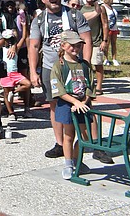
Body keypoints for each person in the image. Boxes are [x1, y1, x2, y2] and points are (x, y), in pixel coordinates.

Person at [28, 0, 92, 159]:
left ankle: (90, 142)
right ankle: (60, 143)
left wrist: (85, 65)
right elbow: (34, 45)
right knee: (54, 105)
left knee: (84, 102)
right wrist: (33, 71)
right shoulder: (39, 19)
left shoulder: (74, 15)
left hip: (74, 66)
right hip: (50, 66)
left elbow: (87, 39)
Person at [51, 31, 95, 179]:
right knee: (69, 135)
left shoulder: (84, 65)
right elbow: (59, 89)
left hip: (83, 105)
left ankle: (77, 159)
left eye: (78, 45)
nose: (75, 48)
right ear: (63, 46)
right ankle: (68, 163)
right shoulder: (59, 65)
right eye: (72, 45)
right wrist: (75, 102)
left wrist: (84, 101)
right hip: (66, 105)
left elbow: (90, 85)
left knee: (86, 136)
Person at [80, 0, 107, 95]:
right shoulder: (81, 8)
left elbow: (105, 24)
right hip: (83, 41)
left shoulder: (100, 8)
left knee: (98, 63)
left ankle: (99, 86)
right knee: (86, 64)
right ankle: (88, 85)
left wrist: (104, 40)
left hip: (96, 40)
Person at [101, 0, 120, 66]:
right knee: (107, 44)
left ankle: (114, 58)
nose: (112, 0)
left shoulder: (112, 8)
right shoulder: (103, 7)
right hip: (107, 28)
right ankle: (106, 59)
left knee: (114, 43)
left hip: (114, 28)